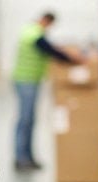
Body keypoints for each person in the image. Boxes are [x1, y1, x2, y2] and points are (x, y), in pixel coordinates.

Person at [12, 12, 82, 171]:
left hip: (30, 80)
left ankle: (27, 157)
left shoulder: (33, 30)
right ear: (45, 20)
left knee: (30, 120)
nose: (49, 28)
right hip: (25, 80)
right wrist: (71, 59)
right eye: (49, 25)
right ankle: (21, 159)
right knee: (25, 120)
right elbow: (48, 49)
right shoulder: (33, 32)